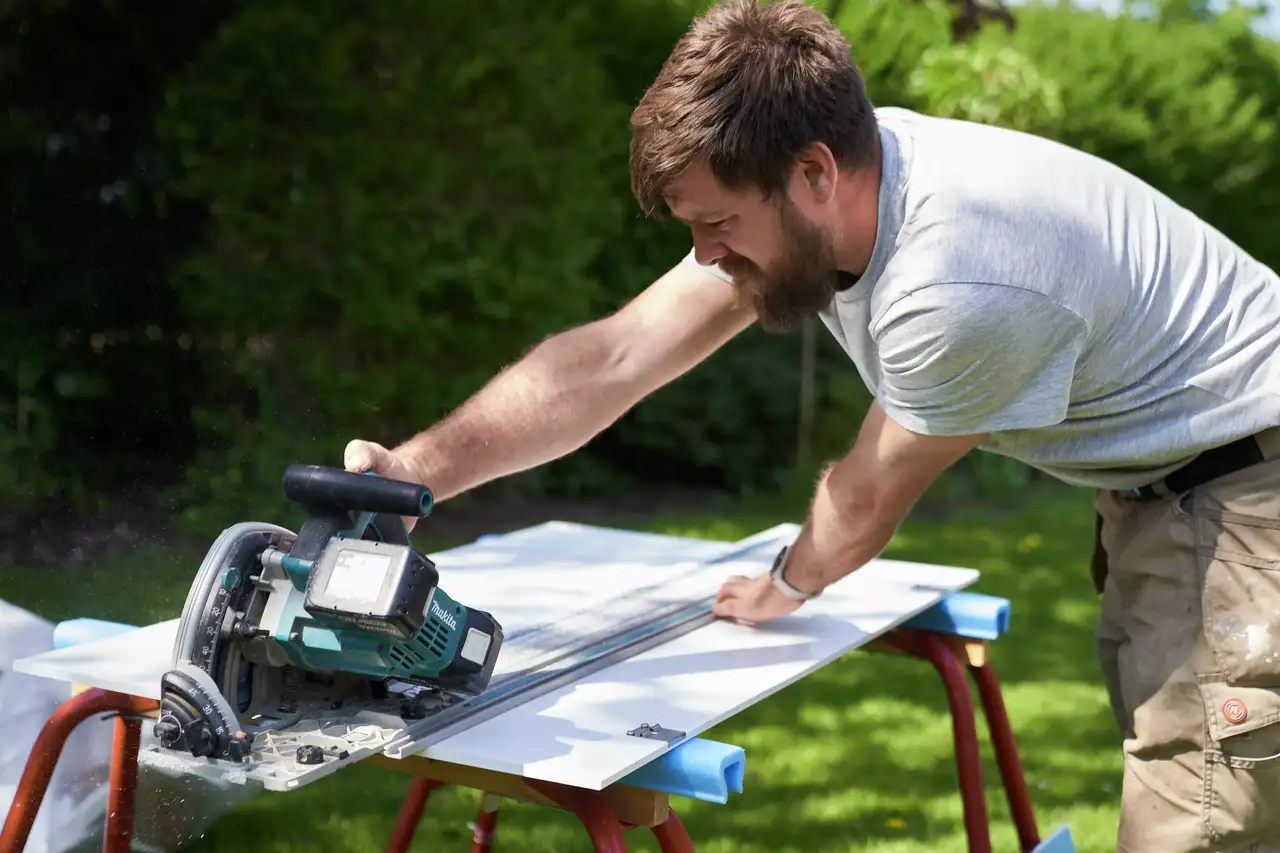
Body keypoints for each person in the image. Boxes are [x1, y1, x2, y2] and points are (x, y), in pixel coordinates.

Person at [344, 1, 1280, 849]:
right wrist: (410, 473)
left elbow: (868, 495)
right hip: (1173, 488)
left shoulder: (956, 283)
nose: (704, 255)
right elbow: (613, 358)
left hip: (1248, 493)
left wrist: (787, 583)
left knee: (1199, 820)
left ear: (815, 172)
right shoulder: (846, 187)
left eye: (717, 223)